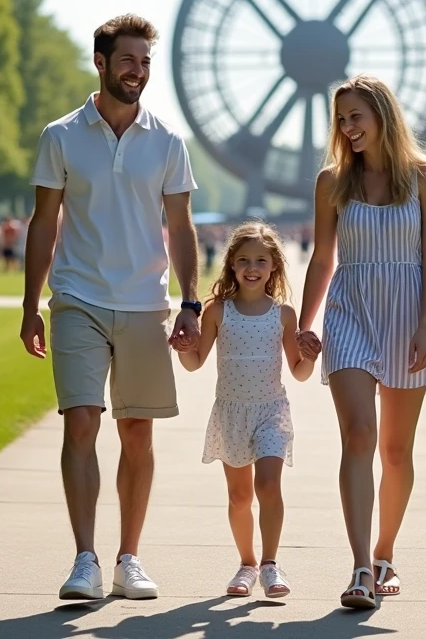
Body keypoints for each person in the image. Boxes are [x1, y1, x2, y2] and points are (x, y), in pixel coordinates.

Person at [19, 14, 201, 602]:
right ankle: (84, 558)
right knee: (82, 420)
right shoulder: (61, 135)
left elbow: (181, 225)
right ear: (100, 62)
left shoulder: (168, 142)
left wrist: (192, 301)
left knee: (137, 434)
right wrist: (30, 305)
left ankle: (129, 558)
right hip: (77, 299)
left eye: (145, 62)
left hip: (145, 304)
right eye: (128, 60)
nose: (138, 71)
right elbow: (44, 222)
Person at [296, 74, 426, 610]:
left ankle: (386, 551)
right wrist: (305, 323)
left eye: (355, 118)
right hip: (349, 313)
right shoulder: (331, 182)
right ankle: (361, 567)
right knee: (359, 435)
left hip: (406, 314)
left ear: (382, 117)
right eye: (340, 120)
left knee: (395, 449)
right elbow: (323, 259)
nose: (346, 129)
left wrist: (422, 325)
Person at [177, 222, 316, 599]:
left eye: (260, 260)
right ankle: (247, 564)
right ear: (231, 266)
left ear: (274, 266)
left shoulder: (284, 315)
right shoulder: (218, 311)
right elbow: (196, 363)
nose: (251, 267)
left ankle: (270, 564)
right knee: (239, 497)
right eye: (243, 260)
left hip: (271, 412)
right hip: (231, 414)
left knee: (267, 485)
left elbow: (299, 373)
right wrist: (182, 347)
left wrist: (310, 357)